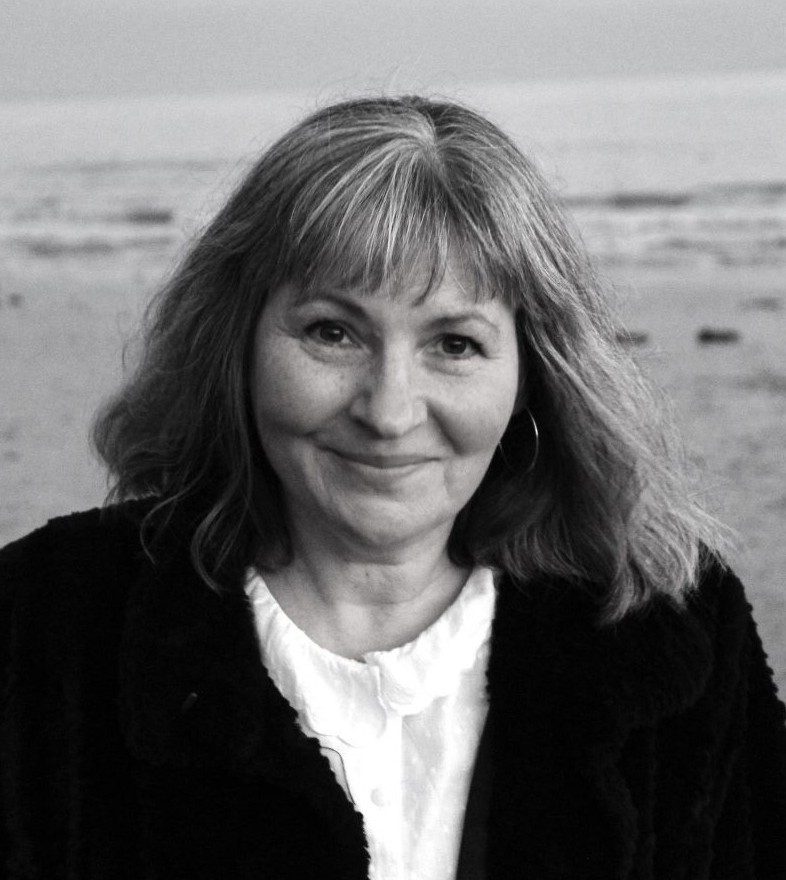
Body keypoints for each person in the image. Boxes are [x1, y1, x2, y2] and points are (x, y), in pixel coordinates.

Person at [0, 95, 784, 880]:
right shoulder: (46, 625)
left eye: (454, 343)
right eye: (332, 332)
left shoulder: (670, 635)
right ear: (233, 345)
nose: (389, 411)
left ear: (529, 377)